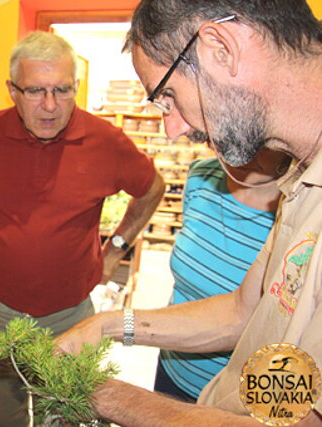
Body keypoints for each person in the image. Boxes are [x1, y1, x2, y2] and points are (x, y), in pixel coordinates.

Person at [57, 0, 322, 424]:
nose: (173, 128)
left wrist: (105, 396)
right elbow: (243, 311)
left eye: (168, 96)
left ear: (221, 47)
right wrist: (108, 325)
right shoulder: (303, 178)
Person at [0, 31, 165, 426]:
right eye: (36, 91)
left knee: (68, 416)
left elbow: (152, 188)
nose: (51, 106)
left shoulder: (105, 142)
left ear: (77, 87)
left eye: (63, 90)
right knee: (0, 416)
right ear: (12, 91)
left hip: (70, 313)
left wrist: (116, 249)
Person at [155, 149, 288, 403]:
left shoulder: (301, 209)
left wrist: (119, 326)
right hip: (173, 370)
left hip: (239, 398)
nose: (235, 156)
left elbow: (241, 315)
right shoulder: (201, 177)